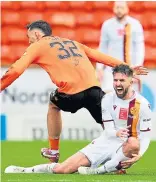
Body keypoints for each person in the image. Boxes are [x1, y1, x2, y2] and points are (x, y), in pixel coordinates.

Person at [1, 20, 147, 163]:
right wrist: (126, 67)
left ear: (38, 34)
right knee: (109, 125)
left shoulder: (38, 45)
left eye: (29, 37)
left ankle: (54, 151)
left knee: (53, 104)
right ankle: (119, 160)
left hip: (71, 93)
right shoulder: (72, 43)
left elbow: (16, 69)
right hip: (94, 89)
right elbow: (98, 56)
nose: (28, 41)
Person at [5, 65, 151, 174]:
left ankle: (98, 171)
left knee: (133, 142)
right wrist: (116, 133)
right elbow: (108, 130)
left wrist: (139, 155)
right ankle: (25, 170)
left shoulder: (143, 104)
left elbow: (144, 136)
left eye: (122, 80)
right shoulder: (107, 99)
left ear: (131, 82)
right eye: (115, 80)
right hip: (107, 141)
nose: (118, 84)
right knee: (63, 169)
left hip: (127, 147)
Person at [97, 1, 145, 92]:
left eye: (122, 8)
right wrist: (99, 68)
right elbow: (103, 47)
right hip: (111, 70)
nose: (119, 10)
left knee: (129, 101)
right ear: (113, 8)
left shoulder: (135, 25)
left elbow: (139, 49)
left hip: (130, 70)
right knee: (109, 99)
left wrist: (138, 67)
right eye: (117, 7)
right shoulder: (107, 25)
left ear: (127, 9)